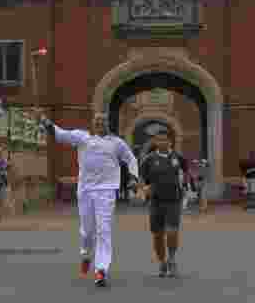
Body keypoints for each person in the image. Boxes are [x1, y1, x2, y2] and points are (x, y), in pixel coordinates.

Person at [38, 109, 139, 288]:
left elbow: (131, 159)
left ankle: (101, 269)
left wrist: (133, 177)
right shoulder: (82, 138)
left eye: (103, 121)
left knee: (104, 230)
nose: (100, 123)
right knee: (87, 231)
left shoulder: (116, 143)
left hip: (106, 191)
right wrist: (46, 123)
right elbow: (60, 134)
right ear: (93, 124)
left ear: (108, 124)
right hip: (85, 190)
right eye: (97, 121)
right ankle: (85, 254)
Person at [139, 129, 189, 278]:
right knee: (158, 235)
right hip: (155, 201)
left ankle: (172, 259)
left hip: (174, 200)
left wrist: (185, 188)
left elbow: (186, 172)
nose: (162, 143)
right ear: (155, 142)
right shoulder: (148, 159)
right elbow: (142, 178)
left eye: (164, 140)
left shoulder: (178, 157)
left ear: (170, 141)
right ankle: (162, 262)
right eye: (159, 140)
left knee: (172, 232)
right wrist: (144, 188)